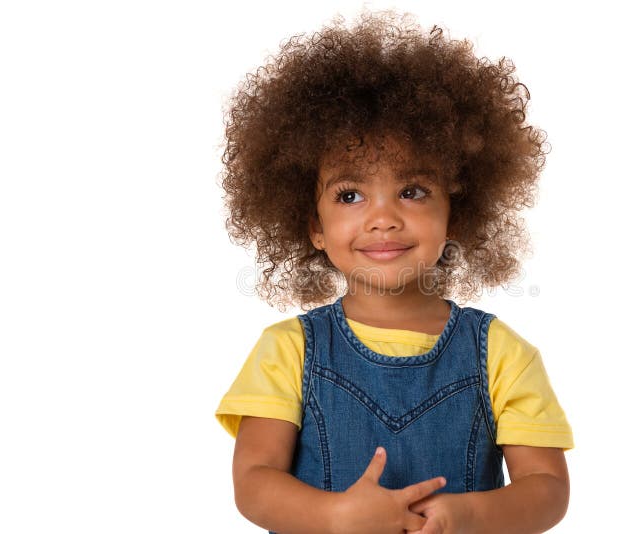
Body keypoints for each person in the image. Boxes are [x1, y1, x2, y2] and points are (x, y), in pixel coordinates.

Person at [215, 10, 574, 534]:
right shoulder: (288, 351)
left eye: (412, 191)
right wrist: (336, 515)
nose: (383, 217)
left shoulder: (501, 353)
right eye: (350, 194)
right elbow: (254, 479)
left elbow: (548, 488)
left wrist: (473, 514)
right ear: (316, 226)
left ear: (457, 213)